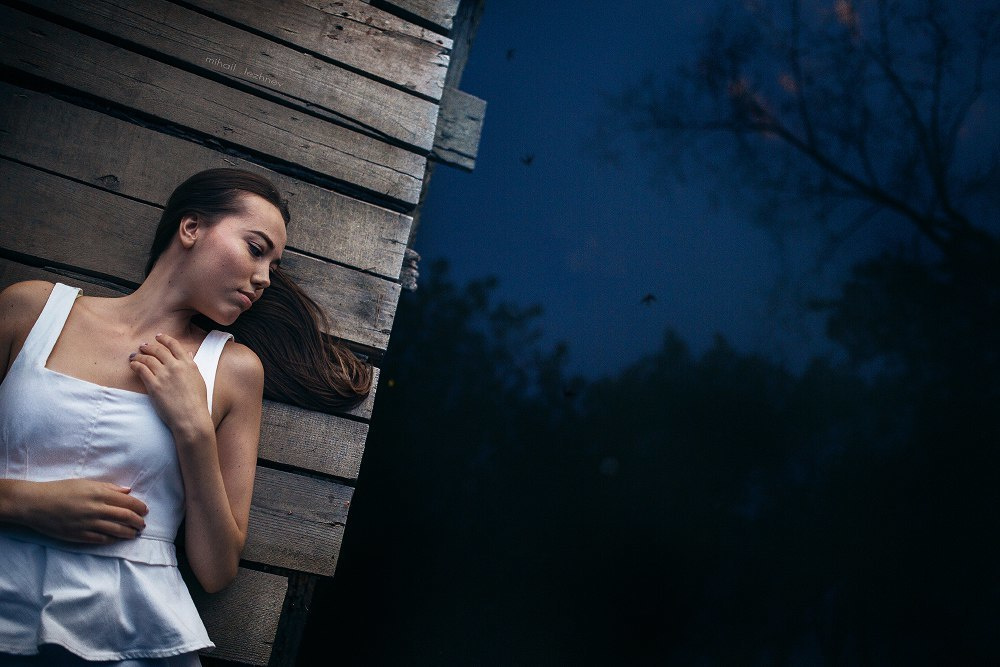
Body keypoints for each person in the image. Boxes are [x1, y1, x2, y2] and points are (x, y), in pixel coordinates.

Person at [0, 169, 372, 665]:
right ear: (191, 228)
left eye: (273, 267)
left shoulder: (235, 370)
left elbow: (216, 570)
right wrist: (24, 502)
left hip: (130, 632)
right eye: (256, 249)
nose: (263, 278)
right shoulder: (30, 309)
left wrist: (194, 430)